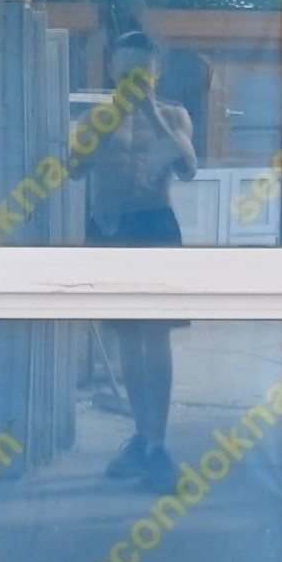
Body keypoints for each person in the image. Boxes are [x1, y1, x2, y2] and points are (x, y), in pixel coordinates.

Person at [70, 31, 197, 493]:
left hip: (154, 224)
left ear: (156, 73)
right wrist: (109, 121)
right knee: (126, 335)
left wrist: (150, 113)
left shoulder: (173, 115)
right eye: (125, 74)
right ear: (111, 72)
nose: (133, 82)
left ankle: (157, 445)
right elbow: (75, 168)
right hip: (110, 227)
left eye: (141, 74)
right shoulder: (94, 117)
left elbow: (188, 168)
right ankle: (142, 438)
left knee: (155, 334)